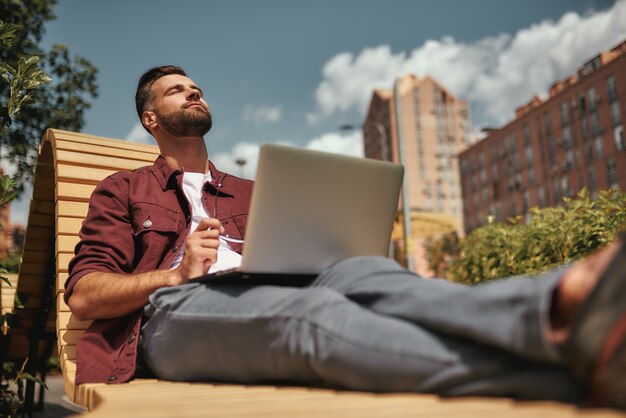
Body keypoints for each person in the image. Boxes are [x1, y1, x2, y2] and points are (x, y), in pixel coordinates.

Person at [65, 65, 626, 409]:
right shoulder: (124, 189)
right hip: (173, 313)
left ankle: (561, 302)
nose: (193, 93)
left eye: (197, 87)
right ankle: (568, 353)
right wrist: (176, 272)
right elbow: (86, 293)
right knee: (304, 322)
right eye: (175, 91)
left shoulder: (250, 190)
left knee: (369, 271)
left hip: (275, 286)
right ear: (149, 118)